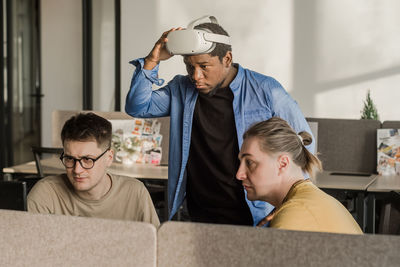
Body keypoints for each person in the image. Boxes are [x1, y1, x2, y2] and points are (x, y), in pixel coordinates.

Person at [125, 16, 314, 226]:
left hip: (253, 214)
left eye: (204, 66)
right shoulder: (181, 88)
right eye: (190, 66)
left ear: (227, 59)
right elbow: (138, 106)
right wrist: (153, 61)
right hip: (198, 212)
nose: (196, 76)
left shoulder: (266, 90)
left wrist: (286, 206)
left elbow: (305, 146)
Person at [27, 112, 160, 227]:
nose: (77, 170)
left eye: (87, 160)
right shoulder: (45, 194)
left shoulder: (135, 193)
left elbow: (157, 250)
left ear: (109, 157)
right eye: (69, 159)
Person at [236, 117, 362, 234]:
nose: (239, 174)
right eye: (240, 162)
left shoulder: (293, 217)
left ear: (282, 164)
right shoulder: (308, 201)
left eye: (250, 162)